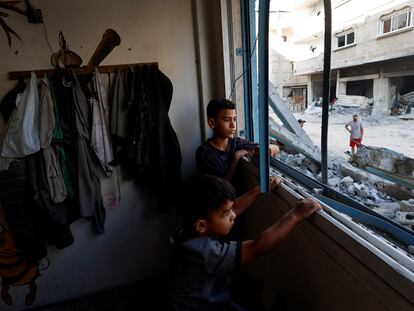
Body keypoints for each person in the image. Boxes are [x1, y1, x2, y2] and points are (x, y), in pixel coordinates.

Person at [164, 174, 322, 311]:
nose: (232, 216)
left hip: (187, 298)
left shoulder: (186, 233)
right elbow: (258, 246)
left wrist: (258, 190)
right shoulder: (205, 252)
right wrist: (295, 214)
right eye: (226, 214)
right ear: (201, 225)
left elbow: (234, 209)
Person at [196, 99, 279, 182]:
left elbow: (275, 148)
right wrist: (235, 158)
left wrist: (258, 149)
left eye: (234, 119)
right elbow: (222, 191)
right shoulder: (204, 153)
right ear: (212, 123)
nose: (233, 125)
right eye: (227, 120)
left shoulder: (235, 142)